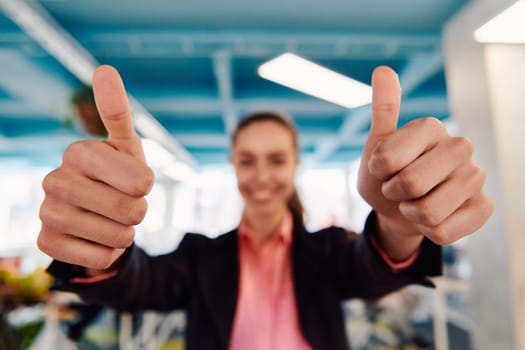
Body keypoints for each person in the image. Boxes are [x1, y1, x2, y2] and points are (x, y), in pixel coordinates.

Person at [37, 65, 493, 350]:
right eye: (247, 161)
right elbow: (139, 285)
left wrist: (396, 218)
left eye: (276, 160)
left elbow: (371, 269)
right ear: (235, 168)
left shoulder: (330, 250)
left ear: (294, 165)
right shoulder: (200, 256)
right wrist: (98, 245)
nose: (261, 175)